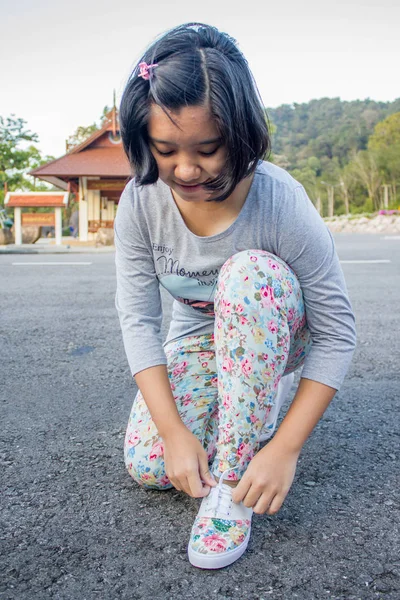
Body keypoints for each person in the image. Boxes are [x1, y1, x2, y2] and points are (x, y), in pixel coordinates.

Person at [114, 23, 356, 570]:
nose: (186, 169)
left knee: (244, 274)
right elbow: (137, 321)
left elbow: (338, 332)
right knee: (152, 465)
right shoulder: (141, 202)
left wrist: (283, 450)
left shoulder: (279, 201)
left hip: (275, 335)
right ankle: (246, 406)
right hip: (200, 344)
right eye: (165, 149)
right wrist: (175, 435)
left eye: (207, 149)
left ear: (239, 132)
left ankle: (233, 481)